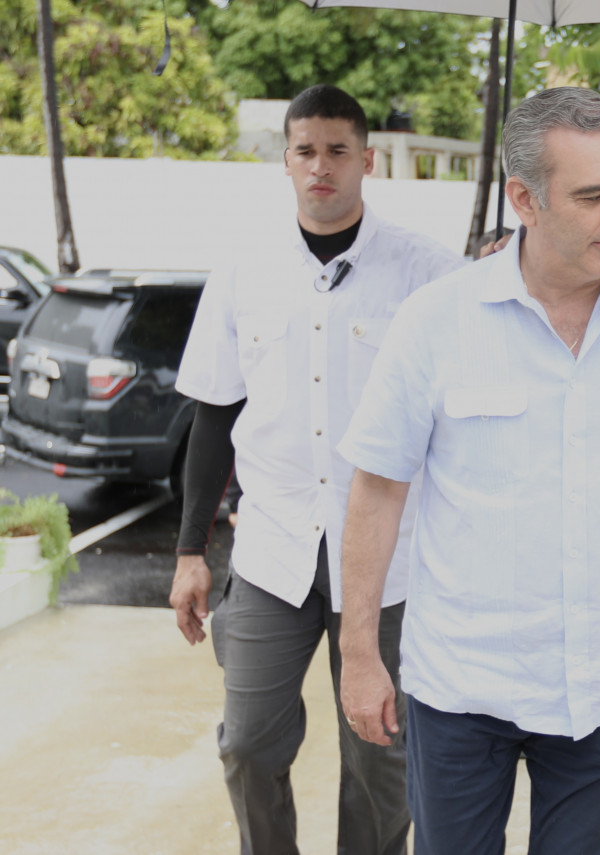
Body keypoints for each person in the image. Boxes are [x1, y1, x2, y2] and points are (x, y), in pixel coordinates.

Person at [334, 87, 600, 855]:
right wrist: (359, 654)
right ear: (524, 199)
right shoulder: (437, 321)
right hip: (462, 687)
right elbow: (378, 490)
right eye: (593, 195)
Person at [167, 84, 465, 855]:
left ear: (368, 160)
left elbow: (468, 414)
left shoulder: (431, 274)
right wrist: (190, 551)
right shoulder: (244, 271)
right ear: (286, 160)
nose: (321, 166)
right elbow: (213, 415)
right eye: (305, 150)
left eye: (338, 150)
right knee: (247, 742)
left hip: (391, 561)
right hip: (273, 548)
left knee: (381, 759)